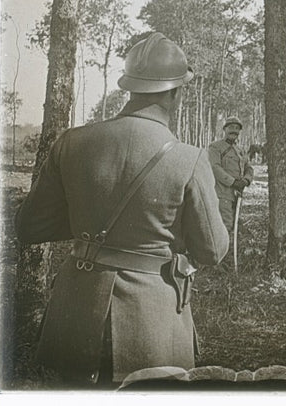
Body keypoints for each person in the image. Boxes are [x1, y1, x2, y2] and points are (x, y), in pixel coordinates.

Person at [16, 32, 229, 385]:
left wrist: (92, 224)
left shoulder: (72, 143)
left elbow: (30, 227)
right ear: (175, 93)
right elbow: (213, 250)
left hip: (75, 313)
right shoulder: (188, 159)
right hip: (152, 323)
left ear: (129, 87)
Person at [207, 116, 252, 233]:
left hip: (238, 194)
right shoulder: (215, 147)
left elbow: (249, 167)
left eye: (237, 128)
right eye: (231, 127)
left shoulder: (240, 150)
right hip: (222, 194)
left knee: (235, 224)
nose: (234, 131)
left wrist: (246, 180)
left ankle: (232, 249)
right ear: (225, 129)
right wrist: (233, 182)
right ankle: (221, 251)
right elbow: (214, 167)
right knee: (224, 225)